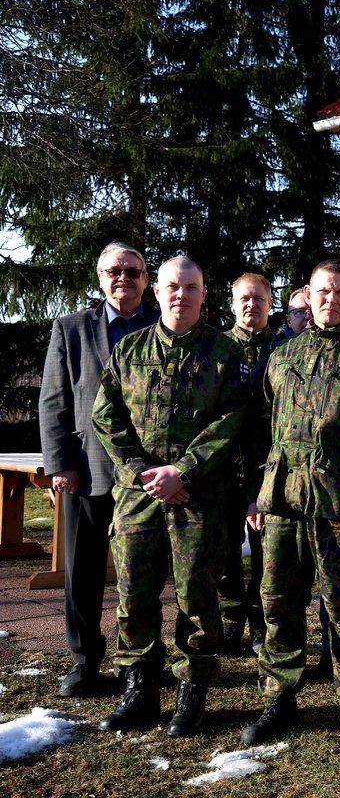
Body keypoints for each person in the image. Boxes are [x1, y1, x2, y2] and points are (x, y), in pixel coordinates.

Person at [240, 259, 340, 749]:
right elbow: (263, 429)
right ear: (307, 298)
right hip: (284, 502)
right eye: (321, 292)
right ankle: (280, 697)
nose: (330, 299)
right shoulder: (283, 356)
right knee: (278, 603)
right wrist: (259, 493)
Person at [92, 256, 246, 736]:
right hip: (139, 497)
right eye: (173, 286)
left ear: (205, 293)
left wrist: (183, 470)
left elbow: (233, 421)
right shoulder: (131, 349)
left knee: (197, 597)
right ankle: (140, 691)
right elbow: (106, 414)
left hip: (198, 499)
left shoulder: (226, 354)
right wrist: (143, 473)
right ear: (157, 292)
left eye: (192, 287)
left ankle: (192, 692)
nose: (182, 294)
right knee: (134, 596)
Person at [39, 242, 158, 697]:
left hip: (146, 475)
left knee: (145, 574)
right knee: (83, 572)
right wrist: (60, 464)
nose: (123, 278)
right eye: (114, 271)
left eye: (133, 271)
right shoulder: (70, 329)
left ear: (146, 279)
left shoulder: (162, 325)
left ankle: (141, 660)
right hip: (87, 471)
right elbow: (53, 400)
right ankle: (84, 661)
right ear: (100, 277)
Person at [218, 273, 274, 658]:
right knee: (223, 550)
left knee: (266, 554)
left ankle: (259, 624)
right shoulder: (216, 347)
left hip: (268, 469)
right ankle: (230, 617)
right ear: (232, 302)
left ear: (270, 303)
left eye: (259, 298)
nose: (251, 305)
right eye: (244, 298)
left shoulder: (286, 348)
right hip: (221, 469)